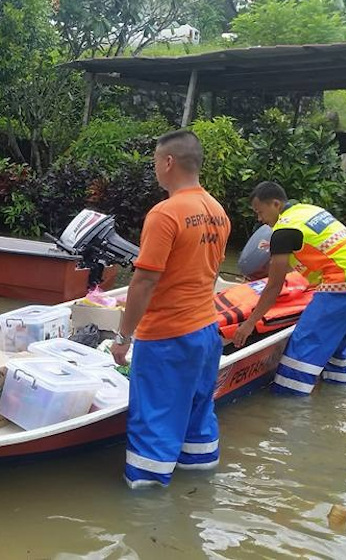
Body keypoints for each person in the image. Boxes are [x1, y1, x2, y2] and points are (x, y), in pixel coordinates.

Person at [110, 130, 231, 489]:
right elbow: (208, 275)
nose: (155, 171)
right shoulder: (217, 211)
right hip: (206, 331)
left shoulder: (166, 213)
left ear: (168, 162)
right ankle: (197, 484)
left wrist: (122, 337)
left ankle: (146, 504)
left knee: (154, 419)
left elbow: (144, 281)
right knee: (197, 411)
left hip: (167, 336)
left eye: (155, 164)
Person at [233, 182, 346, 395]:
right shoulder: (309, 211)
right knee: (335, 345)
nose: (260, 219)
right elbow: (305, 257)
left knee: (301, 350)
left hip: (341, 284)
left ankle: (288, 408)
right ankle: (336, 398)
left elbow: (274, 286)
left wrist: (249, 324)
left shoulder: (283, 230)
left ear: (275, 204)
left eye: (260, 212)